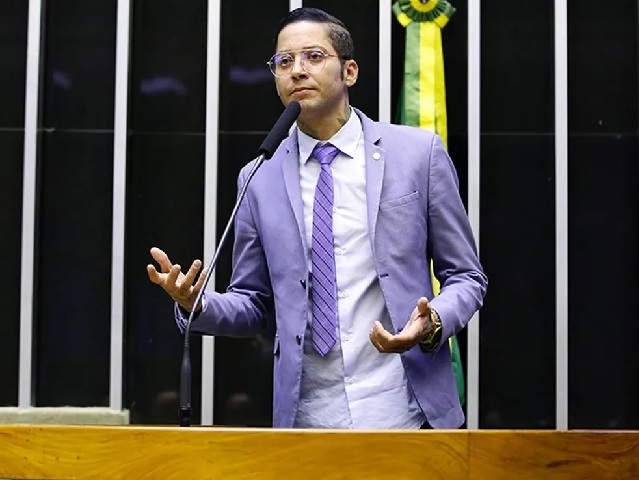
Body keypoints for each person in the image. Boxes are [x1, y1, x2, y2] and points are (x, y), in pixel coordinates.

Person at [147, 7, 487, 429]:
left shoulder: (417, 154)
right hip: (308, 419)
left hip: (407, 409)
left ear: (350, 72)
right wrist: (194, 302)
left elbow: (467, 278)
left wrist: (431, 322)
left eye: (313, 56)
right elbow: (254, 303)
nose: (297, 70)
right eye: (284, 62)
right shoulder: (259, 176)